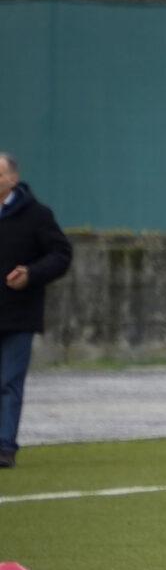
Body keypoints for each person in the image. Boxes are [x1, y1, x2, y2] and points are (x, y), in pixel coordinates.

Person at [0, 152, 72, 469]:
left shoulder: (37, 215)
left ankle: (5, 447)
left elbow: (61, 255)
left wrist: (31, 274)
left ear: (13, 179)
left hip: (18, 316)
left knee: (8, 382)